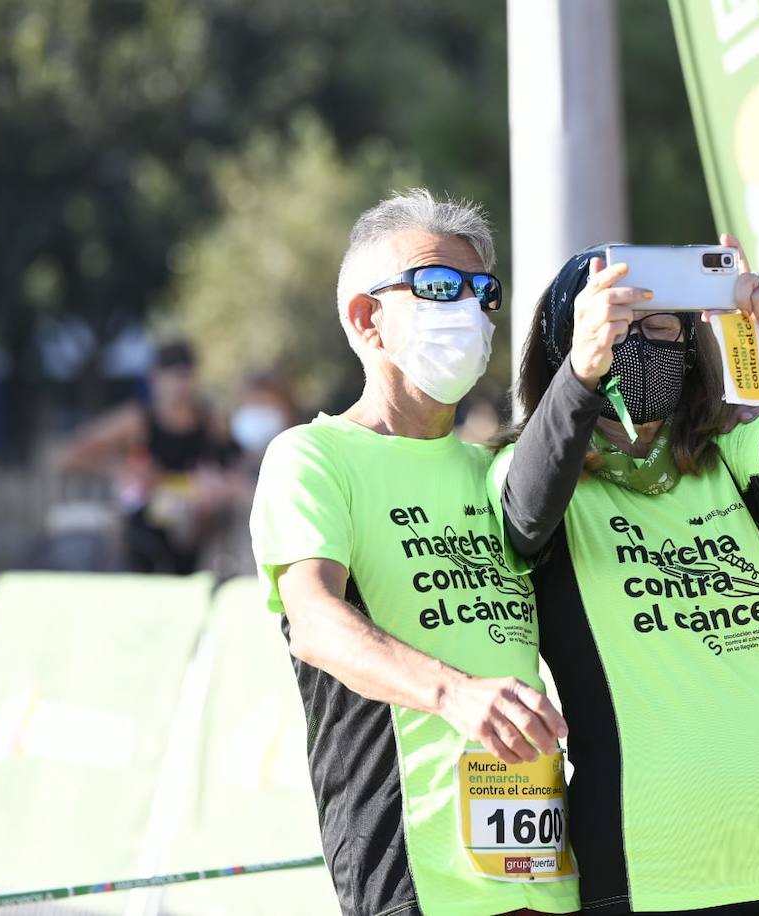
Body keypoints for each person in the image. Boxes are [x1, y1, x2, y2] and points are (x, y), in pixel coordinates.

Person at [491, 236, 759, 914]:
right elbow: (526, 515)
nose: (640, 344)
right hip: (660, 859)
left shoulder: (724, 457)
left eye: (662, 326)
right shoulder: (525, 473)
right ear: (566, 338)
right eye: (616, 326)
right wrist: (582, 376)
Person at [249, 189, 577, 916]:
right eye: (436, 287)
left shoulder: (498, 472)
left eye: (482, 292)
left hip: (543, 862)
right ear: (366, 317)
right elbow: (313, 621)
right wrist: (454, 693)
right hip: (413, 865)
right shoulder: (313, 456)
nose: (468, 308)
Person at [56, 340, 235, 574]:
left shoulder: (211, 423)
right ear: (155, 378)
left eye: (184, 376)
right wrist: (123, 470)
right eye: (172, 377)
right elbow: (68, 455)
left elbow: (237, 467)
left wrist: (217, 485)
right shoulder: (136, 420)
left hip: (196, 537)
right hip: (142, 539)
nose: (178, 386)